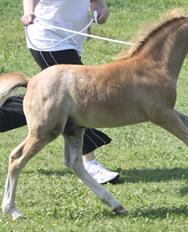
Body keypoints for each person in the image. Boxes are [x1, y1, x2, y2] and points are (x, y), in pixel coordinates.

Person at [0, 0, 119, 184]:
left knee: (49, 104)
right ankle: (89, 164)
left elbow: (95, 3)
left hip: (70, 41)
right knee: (77, 100)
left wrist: (101, 9)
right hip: (48, 40)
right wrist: (29, 12)